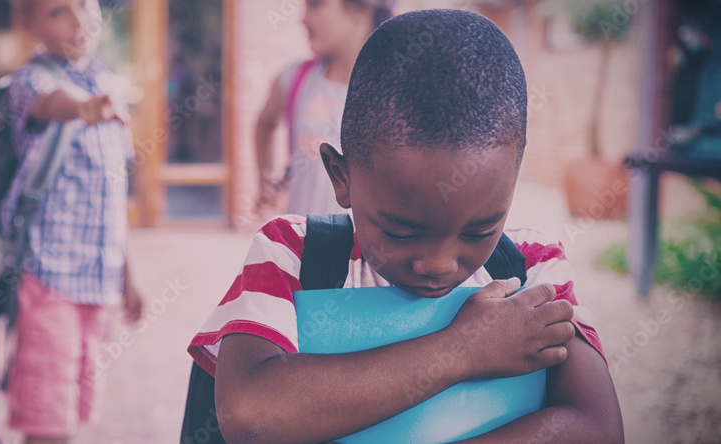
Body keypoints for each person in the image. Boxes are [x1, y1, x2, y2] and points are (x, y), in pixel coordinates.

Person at [189, 9, 624, 444]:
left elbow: (597, 428)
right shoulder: (293, 255)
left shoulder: (533, 270)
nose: (437, 264)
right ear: (341, 178)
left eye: (478, 231)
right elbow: (249, 416)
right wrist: (464, 350)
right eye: (402, 232)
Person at [2, 0, 145, 443]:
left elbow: (110, 196)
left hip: (97, 282)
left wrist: (128, 274)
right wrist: (84, 107)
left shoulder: (107, 83)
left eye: (84, 4)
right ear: (26, 23)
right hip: (49, 279)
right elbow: (51, 104)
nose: (80, 19)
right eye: (57, 11)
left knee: (75, 413)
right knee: (47, 421)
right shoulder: (28, 82)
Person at [255, 0, 392, 216]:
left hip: (362, 248)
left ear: (361, 10)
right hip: (302, 244)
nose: (303, 18)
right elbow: (264, 125)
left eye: (316, 5)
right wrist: (267, 177)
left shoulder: (391, 88)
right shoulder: (296, 79)